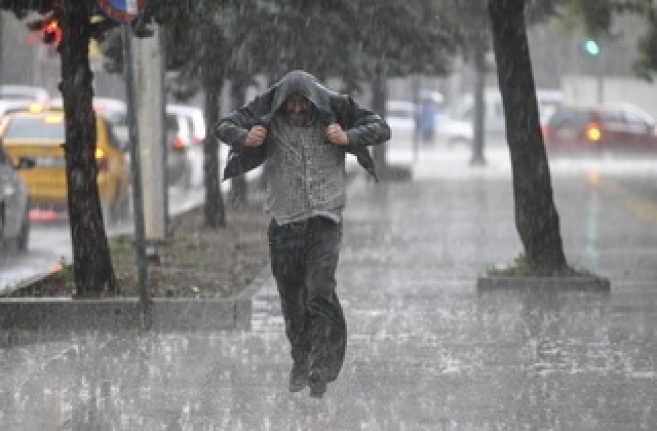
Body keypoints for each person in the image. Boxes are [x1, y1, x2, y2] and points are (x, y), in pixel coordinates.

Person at [214, 70, 390, 398]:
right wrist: (245, 137)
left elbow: (381, 127)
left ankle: (320, 366)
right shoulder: (267, 108)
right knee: (292, 300)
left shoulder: (335, 107)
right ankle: (301, 358)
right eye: (290, 103)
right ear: (281, 102)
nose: (296, 109)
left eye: (302, 103)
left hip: (325, 219)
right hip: (284, 222)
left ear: (313, 100)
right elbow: (223, 126)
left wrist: (348, 137)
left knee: (319, 290)